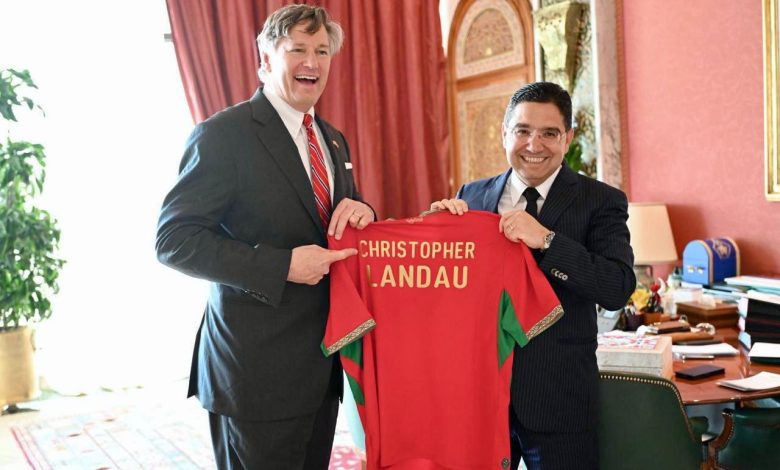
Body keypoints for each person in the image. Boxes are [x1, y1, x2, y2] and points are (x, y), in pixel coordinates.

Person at [155, 5, 374, 468]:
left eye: (322, 51)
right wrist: (283, 266)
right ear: (266, 60)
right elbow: (174, 239)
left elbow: (342, 212)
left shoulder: (333, 139)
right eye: (298, 49)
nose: (312, 62)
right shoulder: (223, 135)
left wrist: (365, 210)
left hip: (320, 370)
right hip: (253, 374)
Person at [431, 81, 635, 470]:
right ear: (504, 133)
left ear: (567, 138)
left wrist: (547, 240)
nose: (533, 144)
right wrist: (438, 236)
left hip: (559, 401)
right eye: (522, 130)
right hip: (478, 399)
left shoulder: (601, 201)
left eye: (549, 133)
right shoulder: (470, 197)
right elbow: (447, 293)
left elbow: (616, 287)